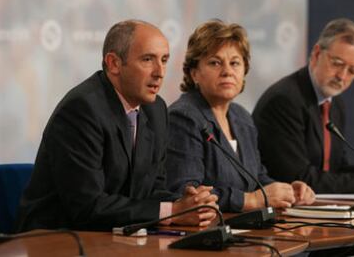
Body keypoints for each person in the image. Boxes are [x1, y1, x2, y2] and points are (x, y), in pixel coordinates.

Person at [15, 20, 218, 232]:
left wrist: (188, 204)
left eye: (164, 60)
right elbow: (88, 207)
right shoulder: (81, 110)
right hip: (55, 239)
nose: (160, 72)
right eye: (148, 59)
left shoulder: (155, 110)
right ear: (113, 63)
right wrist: (172, 211)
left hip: (114, 236)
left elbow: (152, 190)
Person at [166, 20, 315, 213]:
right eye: (215, 63)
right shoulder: (184, 117)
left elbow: (256, 178)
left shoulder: (241, 117)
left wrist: (288, 191)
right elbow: (187, 195)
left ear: (244, 70)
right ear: (194, 73)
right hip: (204, 233)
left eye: (235, 63)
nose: (227, 71)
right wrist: (251, 200)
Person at [252, 18, 354, 193]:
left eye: (352, 71)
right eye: (337, 64)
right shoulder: (284, 101)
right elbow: (298, 178)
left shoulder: (335, 105)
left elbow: (335, 169)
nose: (342, 76)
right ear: (316, 54)